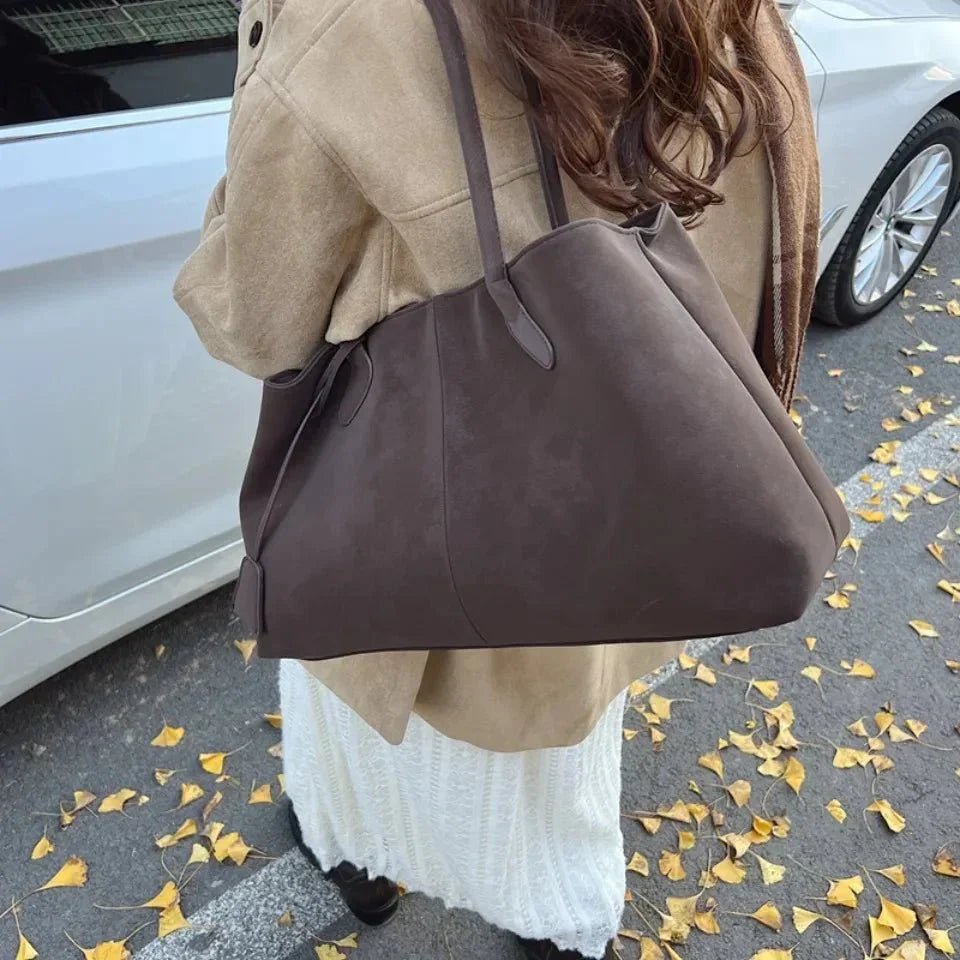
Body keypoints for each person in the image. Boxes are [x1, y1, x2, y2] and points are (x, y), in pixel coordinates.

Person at [174, 0, 820, 956]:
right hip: (630, 494)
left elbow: (254, 317)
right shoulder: (733, 14)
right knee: (555, 786)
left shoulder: (347, 21)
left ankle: (357, 863)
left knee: (377, 750)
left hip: (429, 534)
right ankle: (559, 930)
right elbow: (780, 238)